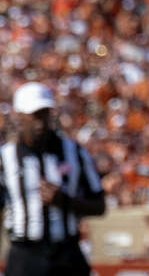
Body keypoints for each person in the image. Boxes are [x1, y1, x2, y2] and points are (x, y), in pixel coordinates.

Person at [1, 82, 106, 276]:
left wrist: (64, 201)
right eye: (34, 115)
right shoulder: (5, 158)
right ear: (19, 116)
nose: (40, 122)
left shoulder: (74, 152)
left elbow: (99, 205)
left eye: (44, 114)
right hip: (25, 256)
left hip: (67, 253)